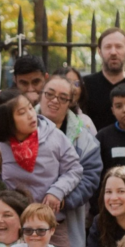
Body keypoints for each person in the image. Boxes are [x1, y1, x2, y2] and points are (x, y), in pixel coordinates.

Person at [0, 88, 85, 247]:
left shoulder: (54, 135)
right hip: (15, 228)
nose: (30, 115)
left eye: (30, 107)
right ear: (7, 121)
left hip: (52, 225)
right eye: (21, 112)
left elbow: (74, 168)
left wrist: (57, 191)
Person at [37, 73, 103, 238]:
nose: (54, 100)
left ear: (70, 103)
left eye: (62, 97)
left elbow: (90, 177)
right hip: (24, 224)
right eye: (50, 94)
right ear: (41, 94)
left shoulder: (85, 138)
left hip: (67, 226)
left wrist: (63, 201)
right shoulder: (18, 125)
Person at [83, 28, 125, 131]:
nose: (113, 52)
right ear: (99, 51)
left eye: (118, 46)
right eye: (108, 47)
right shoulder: (86, 85)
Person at [50, 67, 98, 136]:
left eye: (77, 84)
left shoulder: (85, 122)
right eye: (68, 82)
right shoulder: (44, 116)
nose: (73, 88)